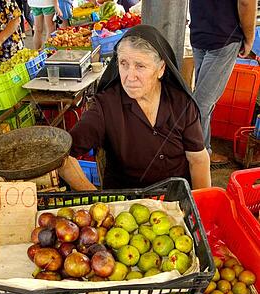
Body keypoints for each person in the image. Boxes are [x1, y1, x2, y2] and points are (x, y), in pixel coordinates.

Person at [58, 25, 211, 191]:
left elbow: (198, 159)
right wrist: (98, 201)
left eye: (140, 66)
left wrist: (200, 206)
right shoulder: (105, 106)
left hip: (175, 199)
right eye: (124, 64)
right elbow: (62, 156)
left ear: (160, 69)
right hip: (126, 205)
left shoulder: (181, 103)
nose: (129, 77)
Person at [189, 0, 257, 164]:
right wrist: (249, 38)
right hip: (223, 36)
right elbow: (246, 2)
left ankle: (201, 150)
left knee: (202, 102)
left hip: (200, 31)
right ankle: (200, 156)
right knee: (202, 104)